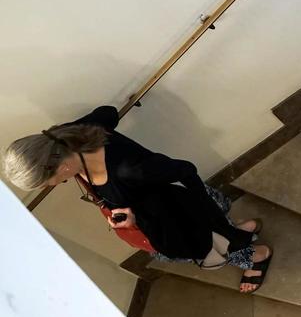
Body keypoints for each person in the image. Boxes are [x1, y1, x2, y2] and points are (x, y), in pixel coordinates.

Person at [5, 107, 273, 293]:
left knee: (213, 246)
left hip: (179, 213)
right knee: (216, 236)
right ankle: (241, 229)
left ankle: (257, 255)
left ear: (58, 169)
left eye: (45, 182)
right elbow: (108, 112)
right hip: (161, 210)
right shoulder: (66, 137)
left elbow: (185, 171)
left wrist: (217, 225)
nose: (50, 186)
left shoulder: (127, 168)